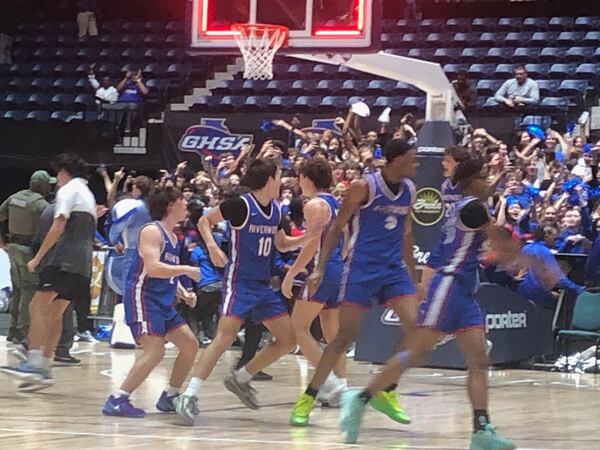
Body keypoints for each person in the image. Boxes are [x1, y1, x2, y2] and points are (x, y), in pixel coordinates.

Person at [336, 159, 561, 448]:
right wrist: (537, 259)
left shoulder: (473, 207)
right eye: (484, 176)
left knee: (479, 358)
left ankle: (481, 430)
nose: (489, 182)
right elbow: (504, 247)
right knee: (419, 352)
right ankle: (360, 398)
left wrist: (515, 256)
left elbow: (498, 251)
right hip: (449, 285)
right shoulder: (473, 208)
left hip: (465, 289)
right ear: (472, 181)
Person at [289, 139, 419, 427]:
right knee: (343, 337)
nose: (416, 163)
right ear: (395, 160)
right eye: (412, 158)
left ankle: (387, 389)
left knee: (417, 329)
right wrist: (319, 268)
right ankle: (308, 397)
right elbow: (336, 228)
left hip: (393, 269)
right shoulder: (364, 187)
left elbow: (407, 234)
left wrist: (413, 274)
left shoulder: (410, 190)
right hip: (361, 268)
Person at [175, 158, 307, 426]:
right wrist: (212, 246)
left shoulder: (276, 211)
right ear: (270, 178)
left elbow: (282, 244)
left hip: (262, 285)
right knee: (224, 337)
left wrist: (311, 236)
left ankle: (241, 377)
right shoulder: (240, 205)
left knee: (287, 339)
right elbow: (203, 220)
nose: (282, 180)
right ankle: (188, 395)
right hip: (239, 283)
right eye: (279, 174)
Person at [102, 187, 201, 418]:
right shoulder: (151, 231)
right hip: (143, 298)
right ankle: (118, 399)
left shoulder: (174, 237)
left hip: (163, 300)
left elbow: (166, 272)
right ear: (170, 205)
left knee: (190, 344)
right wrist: (187, 269)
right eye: (182, 201)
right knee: (154, 351)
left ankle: (171, 395)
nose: (186, 205)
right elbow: (153, 268)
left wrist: (183, 292)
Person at [1, 154, 97, 390]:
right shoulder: (88, 194)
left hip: (63, 260)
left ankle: (33, 364)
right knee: (55, 314)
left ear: (63, 171)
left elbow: (59, 224)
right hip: (83, 264)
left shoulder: (67, 190)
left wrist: (38, 257)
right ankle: (45, 367)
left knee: (36, 306)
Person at [281, 158, 347, 406]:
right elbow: (347, 237)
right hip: (337, 267)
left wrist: (292, 273)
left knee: (298, 328)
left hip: (321, 270)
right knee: (333, 332)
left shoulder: (314, 205)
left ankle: (329, 383)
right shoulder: (335, 203)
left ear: (307, 178)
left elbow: (312, 244)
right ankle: (342, 387)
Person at [0, 170, 55, 345]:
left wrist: (2, 242)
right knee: (29, 290)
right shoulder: (39, 204)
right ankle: (24, 331)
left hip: (13, 247)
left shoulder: (14, 197)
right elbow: (52, 224)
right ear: (43, 186)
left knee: (17, 288)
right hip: (28, 249)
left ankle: (13, 330)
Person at [517, 225, 584, 310]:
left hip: (521, 292)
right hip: (538, 293)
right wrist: (578, 289)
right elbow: (556, 277)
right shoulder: (544, 252)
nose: (555, 241)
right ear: (546, 236)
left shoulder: (525, 248)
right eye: (554, 238)